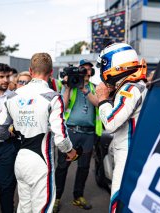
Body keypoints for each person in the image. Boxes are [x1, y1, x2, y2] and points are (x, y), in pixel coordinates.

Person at [0, 53, 77, 212]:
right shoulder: (53, 97)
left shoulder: (12, 96)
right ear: (51, 72)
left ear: (30, 71)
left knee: (24, 208)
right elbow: (60, 138)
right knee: (42, 209)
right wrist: (70, 151)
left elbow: (0, 131)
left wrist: (11, 135)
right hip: (41, 161)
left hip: (20, 161)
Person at [95, 42, 147, 212]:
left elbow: (111, 123)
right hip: (132, 151)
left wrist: (102, 98)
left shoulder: (130, 88)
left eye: (104, 63)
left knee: (118, 202)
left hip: (127, 154)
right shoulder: (136, 85)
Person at [54, 59, 102, 212]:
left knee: (84, 167)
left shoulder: (95, 88)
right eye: (83, 68)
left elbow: (98, 103)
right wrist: (68, 88)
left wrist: (84, 89)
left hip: (88, 134)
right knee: (62, 167)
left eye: (88, 69)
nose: (86, 71)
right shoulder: (70, 87)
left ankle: (78, 197)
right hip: (71, 132)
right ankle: (56, 198)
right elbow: (63, 106)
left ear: (92, 72)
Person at [0, 63, 17, 213]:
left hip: (6, 147)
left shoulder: (14, 97)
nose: (5, 80)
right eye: (1, 77)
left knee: (7, 187)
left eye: (7, 76)